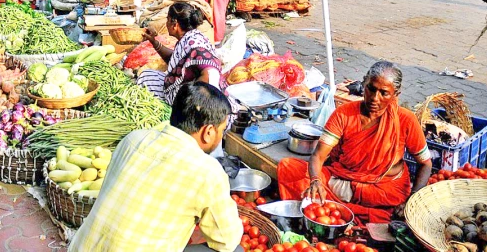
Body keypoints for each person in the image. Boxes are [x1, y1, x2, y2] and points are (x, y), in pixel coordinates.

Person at [70, 81, 242, 252]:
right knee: (236, 250)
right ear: (209, 132)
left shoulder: (132, 139)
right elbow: (227, 241)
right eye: (222, 130)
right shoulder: (208, 172)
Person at [278, 61, 432, 223]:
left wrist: (412, 199)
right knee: (289, 168)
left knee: (391, 206)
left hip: (383, 190)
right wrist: (315, 180)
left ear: (396, 95)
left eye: (384, 93)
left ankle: (334, 211)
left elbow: (426, 164)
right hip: (344, 182)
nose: (374, 98)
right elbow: (318, 156)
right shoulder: (344, 114)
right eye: (371, 89)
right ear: (364, 84)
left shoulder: (406, 119)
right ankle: (350, 214)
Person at [137, 3, 223, 105]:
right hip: (186, 86)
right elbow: (176, 61)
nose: (166, 23)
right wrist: (154, 42)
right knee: (146, 75)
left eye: (168, 19)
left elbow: (211, 73)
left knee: (146, 81)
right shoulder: (190, 37)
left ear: (175, 25)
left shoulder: (194, 44)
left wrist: (190, 100)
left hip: (198, 99)